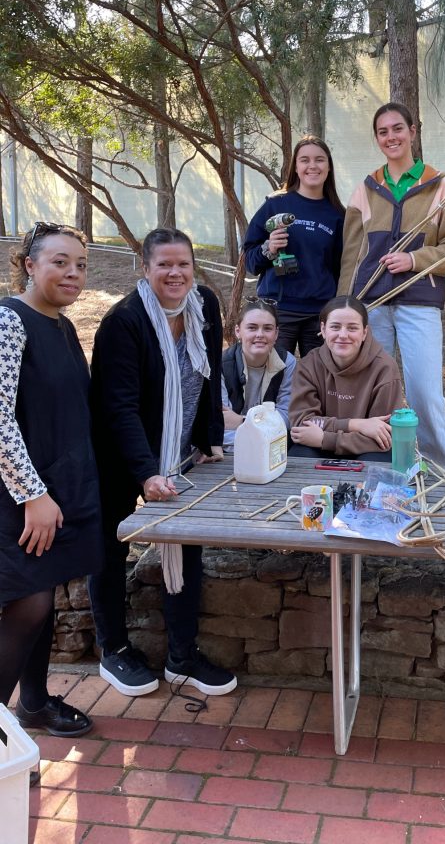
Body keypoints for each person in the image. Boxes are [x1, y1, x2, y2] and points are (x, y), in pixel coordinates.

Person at [88, 228, 236, 697]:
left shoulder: (205, 306)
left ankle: (182, 657)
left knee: (183, 541)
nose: (175, 273)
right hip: (117, 452)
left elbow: (209, 372)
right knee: (108, 548)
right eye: (164, 265)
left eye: (183, 264)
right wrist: (146, 472)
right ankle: (113, 649)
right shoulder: (124, 322)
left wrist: (211, 436)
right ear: (145, 268)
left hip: (176, 453)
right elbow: (119, 408)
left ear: (194, 267)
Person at [1, 222, 101, 738]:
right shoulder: (8, 321)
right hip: (17, 494)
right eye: (59, 261)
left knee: (42, 597)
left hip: (55, 491)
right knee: (28, 601)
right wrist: (32, 494)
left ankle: (34, 706)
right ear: (29, 264)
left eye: (80, 264)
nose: (72, 273)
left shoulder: (61, 326)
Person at [338, 102, 445, 467]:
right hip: (372, 306)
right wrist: (345, 308)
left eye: (398, 128)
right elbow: (351, 254)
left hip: (419, 304)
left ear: (413, 131)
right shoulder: (366, 188)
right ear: (377, 139)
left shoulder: (441, 187)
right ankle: (376, 464)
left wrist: (414, 260)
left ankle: (442, 469)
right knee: (370, 390)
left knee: (425, 393)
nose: (391, 137)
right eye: (383, 132)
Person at [243, 135, 345, 356]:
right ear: (296, 167)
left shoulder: (337, 214)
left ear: (329, 167)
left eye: (319, 160)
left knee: (318, 382)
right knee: (273, 380)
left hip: (319, 313)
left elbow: (340, 268)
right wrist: (268, 249)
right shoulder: (275, 205)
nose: (312, 166)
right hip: (279, 311)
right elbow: (250, 262)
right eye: (304, 160)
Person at [289, 296, 403, 460]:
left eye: (352, 328)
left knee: (379, 461)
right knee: (299, 457)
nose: (343, 335)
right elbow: (301, 425)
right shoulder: (309, 365)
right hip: (317, 445)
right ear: (323, 329)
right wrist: (356, 424)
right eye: (335, 327)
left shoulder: (385, 368)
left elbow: (384, 436)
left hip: (362, 448)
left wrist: (326, 438)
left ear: (364, 332)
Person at [221, 298, 295, 447]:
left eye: (267, 328)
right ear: (238, 331)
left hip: (272, 450)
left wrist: (243, 421)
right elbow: (222, 424)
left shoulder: (287, 362)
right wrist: (266, 429)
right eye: (252, 328)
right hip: (230, 450)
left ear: (276, 333)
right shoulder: (221, 365)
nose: (260, 334)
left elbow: (287, 417)